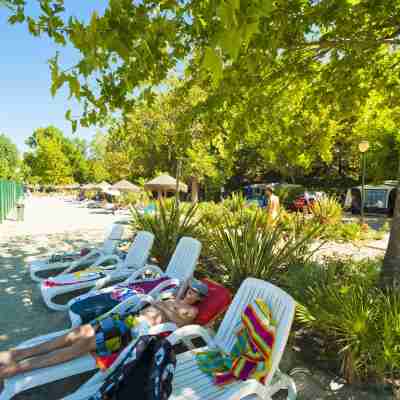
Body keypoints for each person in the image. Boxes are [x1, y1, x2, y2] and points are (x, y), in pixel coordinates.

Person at [0, 279, 208, 385]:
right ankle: (17, 354)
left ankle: (14, 369)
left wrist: (165, 304)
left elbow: (179, 314)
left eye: (194, 293)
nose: (190, 294)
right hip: (128, 319)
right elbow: (179, 292)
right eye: (189, 290)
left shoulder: (190, 310)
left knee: (80, 346)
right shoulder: (176, 298)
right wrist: (183, 286)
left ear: (198, 298)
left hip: (137, 330)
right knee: (77, 333)